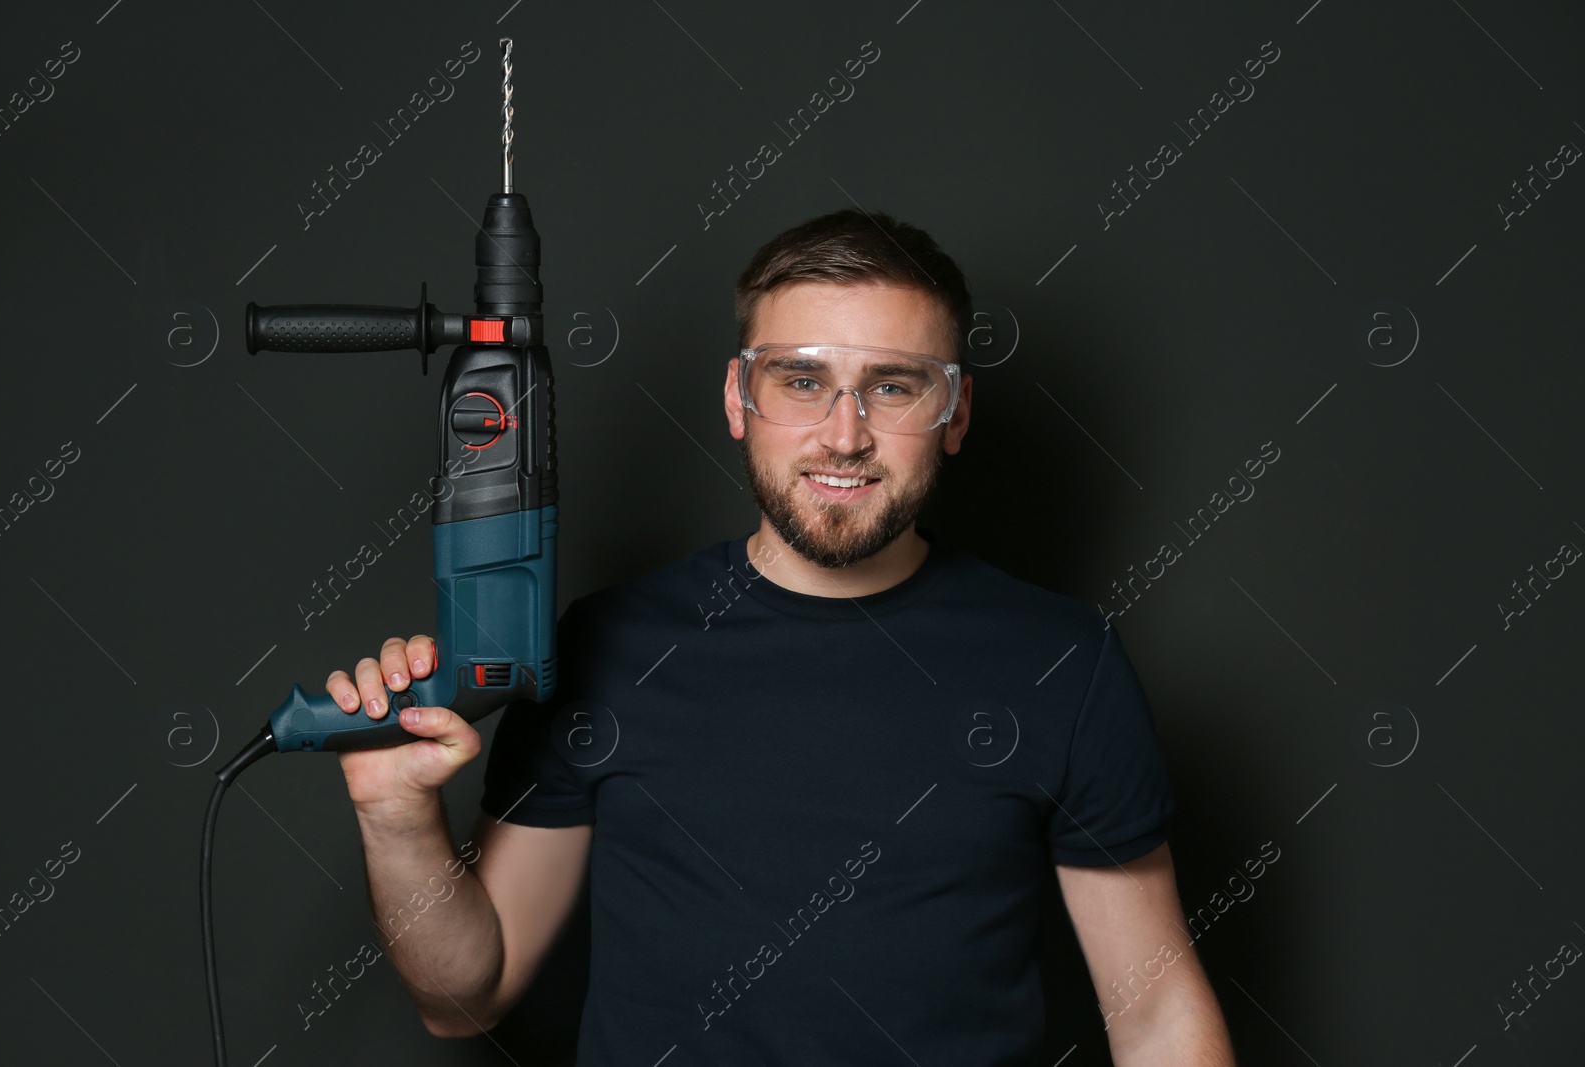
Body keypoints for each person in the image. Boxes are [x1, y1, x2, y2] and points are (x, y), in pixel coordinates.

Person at [326, 209, 1237, 1065]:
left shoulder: (1062, 661)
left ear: (955, 413)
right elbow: (463, 997)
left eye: (893, 385)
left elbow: (1155, 1015)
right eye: (802, 381)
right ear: (738, 396)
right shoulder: (612, 644)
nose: (845, 435)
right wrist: (396, 818)